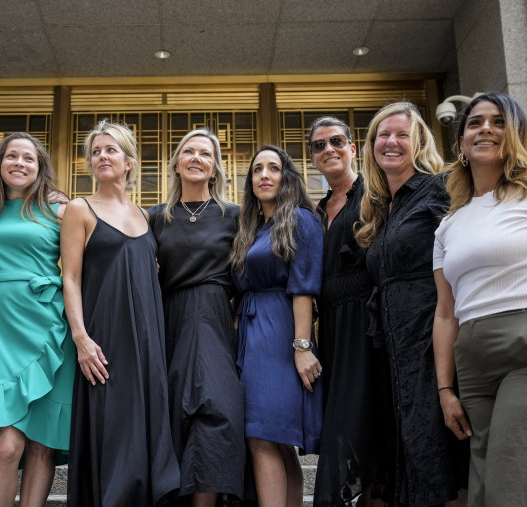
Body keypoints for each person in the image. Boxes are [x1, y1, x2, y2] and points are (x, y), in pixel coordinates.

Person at [61, 119, 180, 506]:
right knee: (112, 430)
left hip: (147, 340)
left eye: (110, 150)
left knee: (146, 430)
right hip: (104, 339)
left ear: (129, 161)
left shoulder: (147, 217)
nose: (101, 157)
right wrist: (81, 339)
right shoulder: (80, 209)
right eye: (95, 152)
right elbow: (71, 278)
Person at [355, 101, 468, 507]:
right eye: (383, 135)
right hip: (393, 350)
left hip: (431, 341)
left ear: (419, 141)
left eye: (402, 134)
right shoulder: (382, 208)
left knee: (444, 456)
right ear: (371, 147)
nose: (391, 142)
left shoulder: (441, 188)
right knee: (412, 457)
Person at [0, 132, 75, 507]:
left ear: (40, 168)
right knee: (6, 444)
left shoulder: (60, 210)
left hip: (48, 327)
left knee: (42, 445)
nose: (20, 163)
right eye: (12, 156)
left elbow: (96, 259)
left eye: (29, 158)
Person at [433, 92, 527, 507]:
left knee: (510, 473)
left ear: (516, 136)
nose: (485, 128)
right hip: (470, 358)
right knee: (483, 476)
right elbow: (445, 311)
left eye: (498, 121)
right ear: (461, 144)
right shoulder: (449, 224)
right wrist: (444, 388)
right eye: (475, 122)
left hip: (520, 342)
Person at [147, 128, 244, 505]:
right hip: (168, 317)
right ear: (175, 164)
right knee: (173, 412)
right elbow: (106, 222)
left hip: (215, 315)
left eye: (205, 154)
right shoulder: (155, 217)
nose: (196, 158)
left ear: (216, 168)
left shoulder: (234, 215)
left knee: (215, 409)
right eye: (188, 151)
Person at [229, 144, 323, 506]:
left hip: (280, 332)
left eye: (273, 168)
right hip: (252, 332)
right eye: (256, 170)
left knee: (262, 436)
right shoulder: (251, 227)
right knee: (274, 439)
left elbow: (303, 288)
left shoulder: (301, 219)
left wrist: (302, 347)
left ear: (287, 177)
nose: (264, 175)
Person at [308, 117, 395, 506]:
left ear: (353, 147)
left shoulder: (376, 195)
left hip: (369, 324)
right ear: (312, 159)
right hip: (332, 330)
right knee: (345, 430)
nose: (329, 149)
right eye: (319, 145)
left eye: (337, 141)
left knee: (370, 425)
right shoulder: (315, 211)